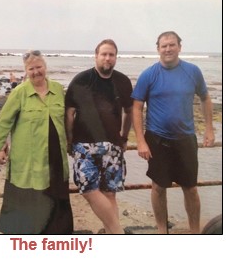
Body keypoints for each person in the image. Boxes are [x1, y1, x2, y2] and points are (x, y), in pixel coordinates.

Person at [132, 31, 215, 234]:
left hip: (186, 138)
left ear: (179, 46)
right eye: (164, 46)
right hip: (157, 139)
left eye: (172, 45)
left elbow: (205, 98)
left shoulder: (192, 71)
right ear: (158, 49)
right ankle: (162, 231)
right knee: (159, 188)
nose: (168, 49)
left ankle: (195, 232)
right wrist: (141, 141)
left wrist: (210, 129)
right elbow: (136, 106)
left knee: (191, 188)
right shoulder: (149, 74)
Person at [0, 50, 73, 234]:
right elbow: (4, 121)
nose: (36, 72)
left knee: (55, 199)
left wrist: (71, 141)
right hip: (27, 160)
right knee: (29, 199)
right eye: (31, 69)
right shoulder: (20, 92)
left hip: (55, 159)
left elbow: (68, 118)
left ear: (45, 67)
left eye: (39, 67)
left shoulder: (58, 90)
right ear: (25, 71)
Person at [65, 39, 133, 234]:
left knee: (110, 192)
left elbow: (131, 111)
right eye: (104, 54)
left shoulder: (122, 81)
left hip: (113, 145)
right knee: (88, 189)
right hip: (84, 145)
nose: (107, 58)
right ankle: (118, 232)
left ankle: (112, 236)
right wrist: (69, 141)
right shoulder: (81, 80)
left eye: (111, 55)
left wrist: (125, 137)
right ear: (96, 56)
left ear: (116, 58)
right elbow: (69, 112)